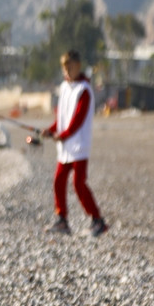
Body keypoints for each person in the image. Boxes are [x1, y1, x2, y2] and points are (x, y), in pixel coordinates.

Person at [41, 50, 108, 236]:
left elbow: (77, 120)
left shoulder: (84, 90)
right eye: (64, 68)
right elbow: (62, 117)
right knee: (58, 181)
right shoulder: (64, 87)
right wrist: (51, 130)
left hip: (79, 146)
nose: (67, 71)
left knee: (78, 184)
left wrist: (62, 135)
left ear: (78, 66)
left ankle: (97, 220)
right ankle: (62, 220)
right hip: (65, 147)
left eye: (70, 67)